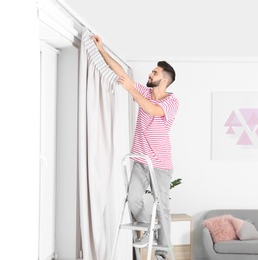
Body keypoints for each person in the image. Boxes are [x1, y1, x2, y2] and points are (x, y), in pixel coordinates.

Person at [92, 35, 179, 260]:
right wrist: (101, 49)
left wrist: (132, 89)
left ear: (165, 80)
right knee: (133, 199)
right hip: (141, 161)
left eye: (155, 73)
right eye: (151, 71)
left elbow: (151, 110)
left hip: (160, 164)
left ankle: (163, 255)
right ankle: (149, 230)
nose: (150, 74)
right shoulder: (144, 92)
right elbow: (121, 73)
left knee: (163, 209)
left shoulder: (171, 101)